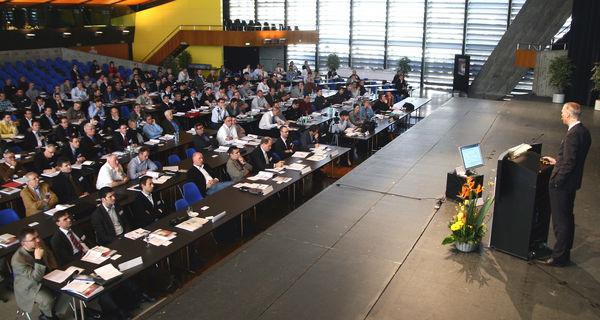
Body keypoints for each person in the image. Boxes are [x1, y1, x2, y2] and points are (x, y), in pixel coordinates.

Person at [541, 102, 592, 267]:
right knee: (568, 218)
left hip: (562, 186)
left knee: (560, 221)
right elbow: (572, 160)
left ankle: (559, 256)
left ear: (569, 115)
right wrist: (557, 162)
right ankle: (564, 252)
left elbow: (569, 163)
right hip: (572, 184)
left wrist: (557, 181)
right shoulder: (584, 132)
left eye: (563, 112)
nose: (561, 115)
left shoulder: (572, 135)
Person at [12, 227, 67, 320]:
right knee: (47, 300)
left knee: (68, 288)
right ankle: (49, 316)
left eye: (37, 236)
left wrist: (54, 269)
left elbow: (50, 255)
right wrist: (38, 260)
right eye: (33, 239)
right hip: (31, 286)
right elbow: (36, 278)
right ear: (23, 243)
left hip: (47, 276)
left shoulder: (40, 243)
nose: (38, 240)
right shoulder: (18, 260)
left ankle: (52, 311)